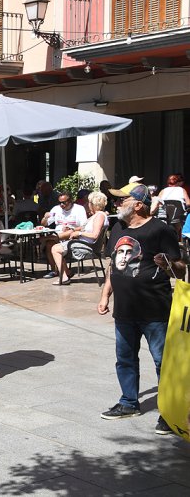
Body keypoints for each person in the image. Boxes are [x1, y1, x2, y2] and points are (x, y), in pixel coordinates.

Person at [98, 183, 184, 436]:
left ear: (138, 204)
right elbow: (112, 266)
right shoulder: (117, 228)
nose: (116, 204)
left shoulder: (161, 230)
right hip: (124, 309)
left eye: (120, 200)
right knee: (125, 359)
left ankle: (169, 412)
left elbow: (180, 269)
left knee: (162, 362)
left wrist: (169, 264)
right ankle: (128, 403)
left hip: (154, 309)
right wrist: (105, 295)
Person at [49, 191, 108, 285]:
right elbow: (86, 228)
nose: (87, 204)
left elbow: (95, 235)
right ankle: (67, 273)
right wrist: (73, 229)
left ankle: (64, 277)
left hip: (87, 246)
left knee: (55, 248)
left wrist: (79, 233)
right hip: (83, 243)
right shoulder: (97, 215)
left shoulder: (99, 216)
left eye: (89, 202)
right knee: (58, 246)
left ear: (93, 204)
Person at [40, 192, 88, 279]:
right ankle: (56, 270)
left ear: (71, 201)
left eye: (64, 202)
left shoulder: (79, 209)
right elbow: (44, 224)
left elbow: (84, 226)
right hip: (58, 234)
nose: (61, 205)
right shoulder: (56, 209)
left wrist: (72, 229)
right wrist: (45, 217)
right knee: (49, 244)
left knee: (56, 239)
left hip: (72, 236)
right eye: (59, 202)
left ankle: (47, 238)